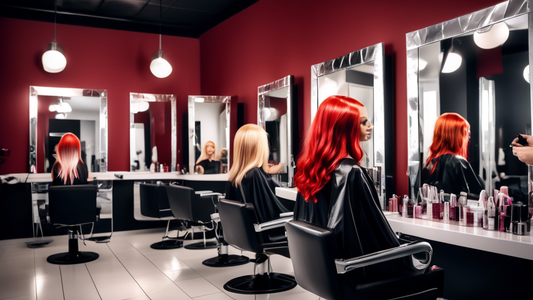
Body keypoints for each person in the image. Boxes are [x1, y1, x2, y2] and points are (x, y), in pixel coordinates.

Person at [293, 95, 418, 284]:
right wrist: (410, 258)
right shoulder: (351, 172)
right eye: (363, 122)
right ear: (344, 128)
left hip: (323, 272)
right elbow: (381, 237)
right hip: (357, 275)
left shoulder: (310, 170)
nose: (370, 126)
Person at [225, 124, 289, 239]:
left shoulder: (237, 175)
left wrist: (266, 173)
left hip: (246, 235)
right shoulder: (254, 175)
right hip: (268, 233)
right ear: (259, 147)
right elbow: (273, 211)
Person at [419, 113, 484, 197]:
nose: (468, 138)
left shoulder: (429, 164)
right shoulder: (457, 162)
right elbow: (479, 197)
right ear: (456, 136)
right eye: (466, 133)